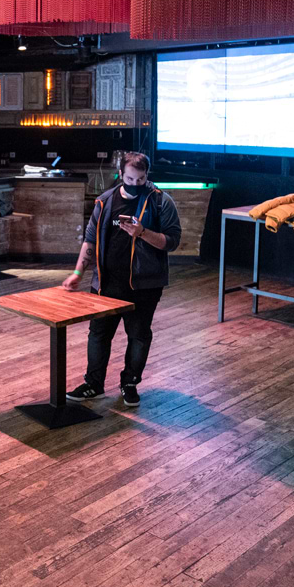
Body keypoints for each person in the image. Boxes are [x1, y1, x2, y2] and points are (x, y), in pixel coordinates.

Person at [60, 152, 181, 409]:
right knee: (98, 334)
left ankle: (130, 384)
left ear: (147, 175)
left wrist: (142, 232)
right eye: (130, 179)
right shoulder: (105, 201)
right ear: (120, 174)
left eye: (141, 179)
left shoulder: (161, 201)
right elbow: (90, 241)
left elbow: (172, 241)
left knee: (138, 335)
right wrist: (78, 273)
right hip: (106, 284)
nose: (135, 184)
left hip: (144, 285)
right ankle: (93, 384)